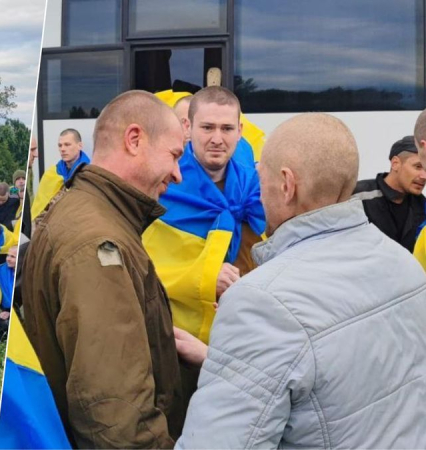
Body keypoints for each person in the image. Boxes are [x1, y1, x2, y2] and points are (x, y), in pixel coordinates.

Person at [175, 113, 426, 448]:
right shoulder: (405, 266)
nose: (258, 194)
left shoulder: (260, 302)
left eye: (260, 178)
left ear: (286, 185)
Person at [21, 90, 186, 447]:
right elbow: (117, 421)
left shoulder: (87, 208)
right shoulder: (99, 245)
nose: (178, 174)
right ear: (135, 139)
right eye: (174, 155)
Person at [144, 86, 264, 345]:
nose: (217, 139)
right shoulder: (162, 183)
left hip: (236, 334)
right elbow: (144, 265)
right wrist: (208, 276)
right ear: (187, 128)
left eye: (227, 129)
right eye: (207, 127)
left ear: (240, 131)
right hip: (174, 334)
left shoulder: (255, 183)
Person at [353, 136, 426, 252]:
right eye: (418, 167)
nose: (424, 176)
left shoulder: (422, 205)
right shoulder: (357, 196)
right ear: (395, 163)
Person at [31, 128, 90, 219]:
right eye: (60, 145)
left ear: (80, 146)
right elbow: (39, 210)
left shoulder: (90, 173)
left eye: (67, 145)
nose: (62, 149)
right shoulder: (51, 173)